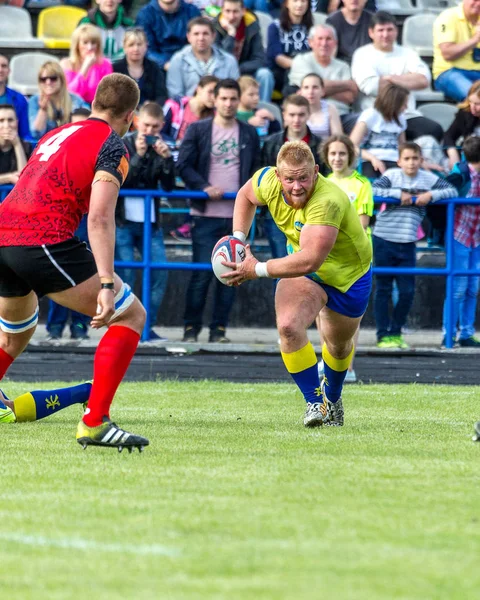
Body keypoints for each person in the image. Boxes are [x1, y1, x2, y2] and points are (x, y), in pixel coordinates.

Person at [0, 73, 150, 450]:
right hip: (41, 236)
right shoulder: (112, 146)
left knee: (14, 334)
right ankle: (95, 421)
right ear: (130, 116)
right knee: (130, 315)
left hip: (3, 232)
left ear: (96, 100)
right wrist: (104, 283)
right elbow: (99, 218)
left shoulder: (57, 133)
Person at [222, 141, 372, 428]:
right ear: (278, 175)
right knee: (289, 327)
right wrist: (238, 241)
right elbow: (245, 196)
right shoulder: (267, 180)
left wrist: (257, 269)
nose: (296, 186)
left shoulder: (328, 201)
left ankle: (333, 397)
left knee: (339, 347)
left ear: (316, 172)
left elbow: (311, 260)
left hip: (348, 276)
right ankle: (315, 403)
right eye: (289, 179)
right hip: (304, 271)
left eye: (303, 177)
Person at [176, 78, 260, 343]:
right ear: (215, 99)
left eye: (233, 98)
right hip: (205, 215)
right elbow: (184, 165)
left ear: (238, 100)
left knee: (233, 276)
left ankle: (218, 330)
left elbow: (255, 171)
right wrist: (204, 186)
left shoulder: (248, 133)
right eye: (223, 98)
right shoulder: (198, 129)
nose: (228, 103)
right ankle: (191, 329)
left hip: (238, 217)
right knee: (201, 273)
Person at [372, 142, 457, 349]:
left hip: (408, 242)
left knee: (407, 291)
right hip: (384, 238)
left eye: (415, 158)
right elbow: (372, 189)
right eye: (407, 158)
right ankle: (383, 335)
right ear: (400, 161)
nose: (411, 163)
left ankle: (396, 332)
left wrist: (430, 195)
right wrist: (397, 194)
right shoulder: (392, 175)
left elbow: (452, 191)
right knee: (383, 289)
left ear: (421, 160)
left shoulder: (428, 178)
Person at [115, 101, 175, 342]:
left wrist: (168, 160)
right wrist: (138, 156)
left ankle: (146, 327)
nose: (149, 131)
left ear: (161, 126)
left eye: (154, 127)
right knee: (127, 275)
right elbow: (121, 182)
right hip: (123, 222)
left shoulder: (162, 148)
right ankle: (124, 330)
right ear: (137, 122)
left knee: (160, 271)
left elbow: (169, 188)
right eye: (146, 125)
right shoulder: (124, 145)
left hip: (151, 223)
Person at [317, 134, 373, 382]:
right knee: (322, 308)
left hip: (354, 259)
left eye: (342, 153)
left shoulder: (361, 185)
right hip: (325, 256)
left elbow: (362, 224)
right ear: (326, 157)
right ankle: (326, 360)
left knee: (351, 313)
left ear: (350, 155)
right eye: (332, 153)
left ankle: (348, 366)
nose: (337, 158)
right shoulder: (320, 183)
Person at [351, 11, 443, 143]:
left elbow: (424, 80)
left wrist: (390, 79)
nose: (385, 34)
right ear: (371, 33)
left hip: (407, 114)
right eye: (380, 30)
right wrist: (407, 78)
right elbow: (370, 87)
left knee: (434, 130)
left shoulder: (408, 53)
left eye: (390, 30)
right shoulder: (362, 54)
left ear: (396, 31)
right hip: (375, 115)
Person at [261, 94, 326, 258]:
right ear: (284, 115)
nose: (296, 119)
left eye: (301, 114)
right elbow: (262, 175)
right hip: (277, 212)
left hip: (310, 213)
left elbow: (324, 178)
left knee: (307, 269)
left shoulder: (319, 145)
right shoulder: (271, 143)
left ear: (308, 115)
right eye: (292, 114)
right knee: (280, 266)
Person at [441, 135, 480, 348]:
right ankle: (448, 333)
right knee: (457, 287)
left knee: (472, 286)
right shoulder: (462, 175)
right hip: (460, 235)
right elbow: (443, 192)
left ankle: (466, 333)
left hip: (476, 237)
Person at [288, 24, 359, 133]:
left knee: (362, 120)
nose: (324, 43)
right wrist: (346, 84)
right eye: (320, 39)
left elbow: (349, 97)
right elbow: (312, 85)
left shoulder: (343, 66)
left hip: (341, 116)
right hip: (310, 116)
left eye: (328, 39)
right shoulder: (301, 61)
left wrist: (318, 91)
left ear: (335, 43)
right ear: (310, 42)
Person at [213, 0, 275, 102]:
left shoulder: (252, 25)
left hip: (245, 71)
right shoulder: (215, 27)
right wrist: (230, 35)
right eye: (227, 11)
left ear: (243, 11)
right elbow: (220, 60)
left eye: (235, 11)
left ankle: (262, 109)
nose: (231, 16)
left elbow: (260, 59)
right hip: (223, 72)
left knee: (265, 74)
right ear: (222, 11)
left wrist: (238, 69)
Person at [166, 17, 240, 98]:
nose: (201, 38)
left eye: (205, 33)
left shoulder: (229, 60)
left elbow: (235, 92)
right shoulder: (178, 60)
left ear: (213, 36)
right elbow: (175, 95)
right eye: (196, 34)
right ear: (188, 37)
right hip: (188, 108)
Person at [349, 82, 408, 178]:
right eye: (404, 104)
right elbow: (352, 146)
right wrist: (373, 159)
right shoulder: (370, 115)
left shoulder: (400, 118)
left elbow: (403, 146)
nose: (406, 108)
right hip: (370, 160)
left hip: (395, 161)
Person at [28, 61, 89, 141]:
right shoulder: (35, 100)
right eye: (43, 79)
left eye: (53, 78)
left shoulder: (76, 100)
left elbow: (88, 125)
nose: (48, 82)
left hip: (72, 143)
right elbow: (36, 133)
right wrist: (43, 110)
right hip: (47, 147)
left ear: (61, 80)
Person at [433, 0, 480, 102]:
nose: (479, 3)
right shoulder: (448, 17)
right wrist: (475, 40)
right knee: (475, 98)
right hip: (450, 72)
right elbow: (448, 53)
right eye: (475, 0)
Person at [135, 0, 201, 71]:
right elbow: (146, 49)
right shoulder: (145, 15)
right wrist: (166, 64)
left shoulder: (192, 11)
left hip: (189, 63)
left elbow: (199, 41)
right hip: (157, 66)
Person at [266, 0, 313, 95]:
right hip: (281, 71)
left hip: (307, 70)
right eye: (295, 1)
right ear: (287, 3)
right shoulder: (275, 26)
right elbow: (278, 57)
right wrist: (299, 66)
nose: (299, 4)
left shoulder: (312, 28)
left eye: (303, 1)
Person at [113, 26, 168, 106]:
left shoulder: (154, 68)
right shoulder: (115, 69)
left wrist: (152, 106)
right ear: (124, 47)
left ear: (146, 46)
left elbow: (162, 96)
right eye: (131, 45)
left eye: (139, 44)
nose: (136, 49)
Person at [61, 24, 114, 105]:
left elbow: (106, 94)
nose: (89, 47)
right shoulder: (66, 64)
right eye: (85, 43)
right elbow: (71, 95)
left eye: (93, 43)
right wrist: (85, 67)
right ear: (77, 45)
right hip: (73, 107)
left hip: (97, 108)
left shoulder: (105, 64)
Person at [162, 74, 219, 143]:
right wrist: (175, 143)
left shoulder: (215, 116)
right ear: (199, 89)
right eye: (210, 92)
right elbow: (159, 131)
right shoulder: (175, 105)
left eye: (216, 94)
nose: (213, 97)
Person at [444, 81, 480, 169]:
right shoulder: (465, 112)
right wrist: (452, 153)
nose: (472, 107)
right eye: (470, 102)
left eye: (477, 104)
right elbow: (449, 136)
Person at [326, 0, 373, 64]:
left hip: (367, 64)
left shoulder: (373, 20)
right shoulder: (332, 21)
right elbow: (331, 53)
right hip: (341, 66)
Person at [299, 73, 343, 138]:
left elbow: (338, 137)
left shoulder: (330, 108)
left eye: (315, 87)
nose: (310, 92)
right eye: (306, 87)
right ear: (301, 91)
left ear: (322, 91)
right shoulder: (295, 109)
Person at [0, 54, 30, 140]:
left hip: (12, 148)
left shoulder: (19, 99)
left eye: (4, 66)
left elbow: (25, 134)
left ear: (9, 71)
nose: (0, 70)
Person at [0, 104, 31, 187]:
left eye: (10, 120)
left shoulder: (26, 146)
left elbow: (25, 179)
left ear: (16, 123)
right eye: (1, 121)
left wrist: (17, 145)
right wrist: (8, 178)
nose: (6, 125)